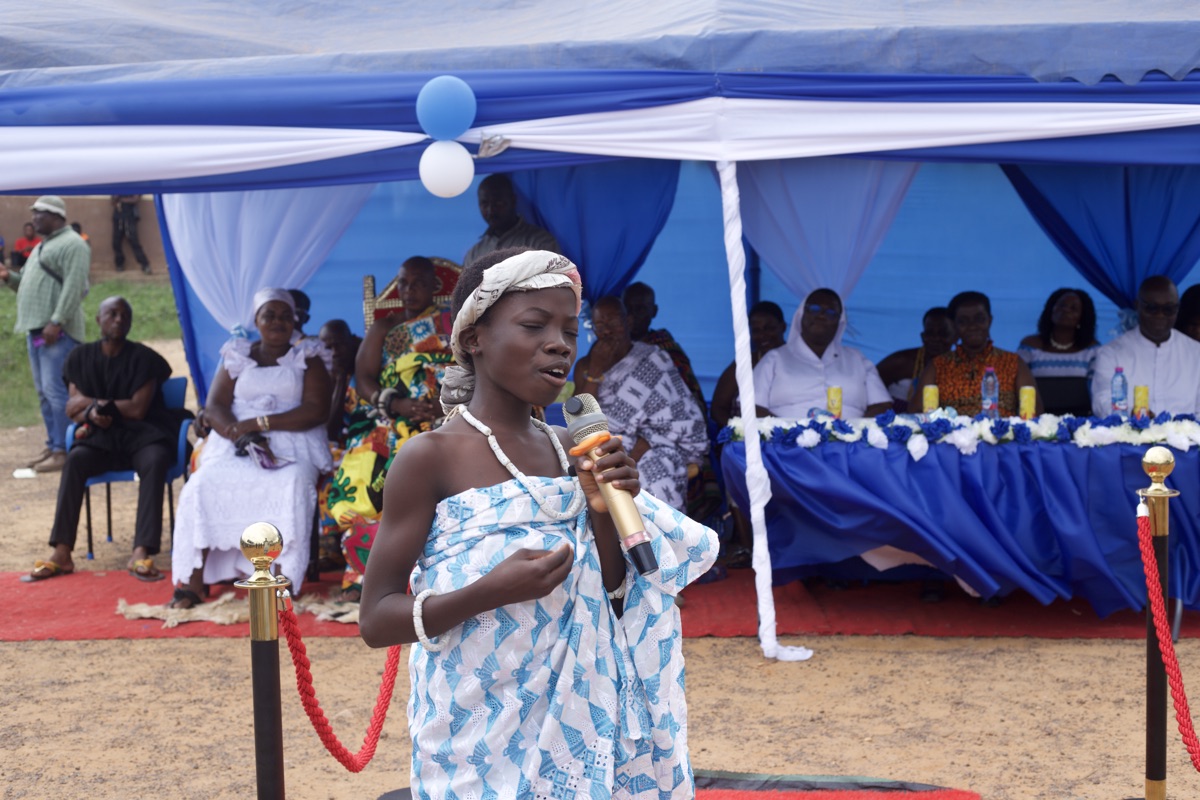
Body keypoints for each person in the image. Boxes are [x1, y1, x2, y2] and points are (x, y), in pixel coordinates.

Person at [358, 247, 718, 799]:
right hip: (476, 732)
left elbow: (616, 593)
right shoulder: (430, 457)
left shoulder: (574, 449)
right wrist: (486, 592)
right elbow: (376, 619)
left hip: (582, 725)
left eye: (570, 332)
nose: (560, 344)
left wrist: (604, 508)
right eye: (534, 325)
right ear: (474, 337)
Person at [168, 289, 332, 608]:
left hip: (292, 440)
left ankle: (281, 576)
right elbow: (214, 405)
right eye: (269, 315)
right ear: (256, 321)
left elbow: (316, 409)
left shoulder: (307, 356)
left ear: (295, 320)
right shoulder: (238, 354)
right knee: (201, 485)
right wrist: (239, 433)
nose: (278, 322)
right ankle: (193, 580)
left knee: (293, 483)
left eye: (285, 316)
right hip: (237, 440)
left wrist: (260, 424)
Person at [322, 257, 455, 601]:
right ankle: (362, 574)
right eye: (403, 283)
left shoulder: (451, 325)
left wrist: (443, 403)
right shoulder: (384, 328)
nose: (409, 291)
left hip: (444, 415)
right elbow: (364, 379)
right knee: (367, 461)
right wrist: (398, 406)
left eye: (418, 284)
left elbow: (468, 370)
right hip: (390, 414)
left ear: (434, 287)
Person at [21, 297, 176, 583]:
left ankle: (141, 551)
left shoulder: (145, 358)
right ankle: (62, 552)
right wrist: (93, 412)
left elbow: (137, 409)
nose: (118, 319)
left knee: (155, 459)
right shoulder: (79, 357)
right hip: (100, 437)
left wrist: (91, 404)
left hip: (142, 435)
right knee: (76, 460)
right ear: (98, 319)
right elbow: (71, 408)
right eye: (112, 314)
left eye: (124, 315)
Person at [573, 296, 710, 512]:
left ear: (628, 321)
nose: (607, 331)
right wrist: (596, 372)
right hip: (602, 448)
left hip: (651, 445)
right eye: (600, 325)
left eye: (614, 322)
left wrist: (631, 458)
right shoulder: (585, 365)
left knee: (654, 476)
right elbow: (579, 416)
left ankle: (662, 540)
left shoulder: (654, 359)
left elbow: (677, 415)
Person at [1, 196, 91, 472]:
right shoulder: (43, 246)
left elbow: (74, 286)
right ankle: (54, 444)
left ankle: (64, 450)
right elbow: (26, 283)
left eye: (39, 214)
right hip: (37, 329)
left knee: (56, 391)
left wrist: (57, 321)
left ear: (56, 215)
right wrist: (8, 277)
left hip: (56, 332)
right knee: (43, 392)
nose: (34, 218)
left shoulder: (73, 244)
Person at [754, 288, 892, 420]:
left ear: (839, 322)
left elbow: (882, 406)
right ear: (801, 315)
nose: (821, 315)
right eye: (814, 309)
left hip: (850, 441)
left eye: (831, 312)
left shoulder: (857, 359)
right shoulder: (774, 358)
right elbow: (752, 407)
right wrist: (785, 433)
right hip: (785, 442)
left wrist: (856, 432)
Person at [914, 291, 1040, 418]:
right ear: (954, 325)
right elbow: (917, 412)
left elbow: (1035, 412)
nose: (972, 326)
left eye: (979, 319)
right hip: (951, 436)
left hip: (1002, 435)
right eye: (963, 321)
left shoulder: (1013, 362)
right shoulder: (938, 365)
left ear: (989, 321)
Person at [1091, 276, 1200, 417]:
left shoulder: (1196, 353)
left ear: (1177, 309)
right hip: (1128, 436)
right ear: (1137, 306)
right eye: (1152, 308)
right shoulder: (1111, 353)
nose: (1160, 315)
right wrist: (1133, 415)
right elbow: (1102, 401)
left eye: (1168, 309)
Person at [622, 281, 707, 416]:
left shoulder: (667, 350)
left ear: (654, 311)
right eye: (627, 308)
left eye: (640, 309)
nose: (632, 315)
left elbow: (687, 396)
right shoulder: (610, 347)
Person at [1017, 288, 1100, 416]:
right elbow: (1017, 385)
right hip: (1036, 420)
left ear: (1082, 318)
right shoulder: (1029, 346)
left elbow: (1097, 391)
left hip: (1081, 422)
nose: (1065, 310)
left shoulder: (1092, 350)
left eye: (1073, 308)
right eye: (1061, 305)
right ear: (1051, 309)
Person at [711, 301, 787, 429]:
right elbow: (717, 409)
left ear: (783, 327)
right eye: (756, 330)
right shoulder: (743, 363)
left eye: (769, 328)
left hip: (792, 437)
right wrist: (738, 430)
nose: (763, 335)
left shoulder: (798, 361)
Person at [463, 173, 559, 267]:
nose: (491, 210)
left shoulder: (540, 243)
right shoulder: (474, 254)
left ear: (513, 201)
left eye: (498, 203)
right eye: (484, 204)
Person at [875, 307, 956, 411]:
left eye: (943, 333)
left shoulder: (962, 365)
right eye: (930, 333)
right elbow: (869, 387)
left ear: (955, 337)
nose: (935, 338)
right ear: (922, 336)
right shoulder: (902, 361)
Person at [111, 194, 150, 274]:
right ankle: (119, 264)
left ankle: (145, 265)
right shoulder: (116, 185)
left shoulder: (133, 184)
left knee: (133, 241)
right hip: (118, 216)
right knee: (116, 242)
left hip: (129, 216)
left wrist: (121, 199)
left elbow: (135, 199)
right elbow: (113, 200)